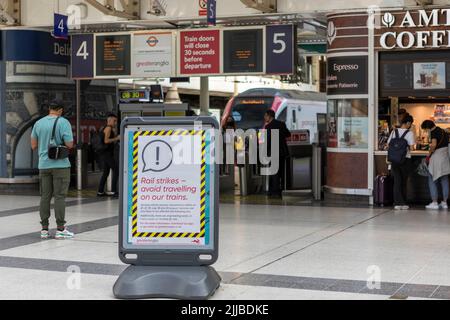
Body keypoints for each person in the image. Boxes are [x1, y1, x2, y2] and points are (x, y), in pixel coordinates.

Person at [31, 101, 74, 240]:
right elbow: (69, 144)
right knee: (60, 197)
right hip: (60, 165)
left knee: (45, 197)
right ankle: (60, 229)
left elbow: (33, 145)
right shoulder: (63, 122)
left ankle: (44, 229)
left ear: (49, 109)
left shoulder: (39, 123)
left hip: (43, 165)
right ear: (60, 110)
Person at [387, 115, 416, 210]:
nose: (410, 126)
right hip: (405, 160)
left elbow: (388, 145)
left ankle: (397, 203)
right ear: (408, 123)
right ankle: (403, 203)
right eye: (410, 124)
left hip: (394, 160)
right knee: (403, 181)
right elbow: (412, 148)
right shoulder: (409, 133)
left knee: (397, 181)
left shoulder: (393, 131)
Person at [421, 120, 450, 210]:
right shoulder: (443, 130)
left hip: (437, 157)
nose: (426, 131)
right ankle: (444, 202)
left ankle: (434, 202)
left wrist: (429, 154)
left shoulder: (434, 132)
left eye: (425, 130)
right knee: (444, 179)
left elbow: (433, 145)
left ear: (428, 128)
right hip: (445, 156)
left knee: (432, 179)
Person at [263, 109, 291, 198]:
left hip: (273, 151)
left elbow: (268, 141)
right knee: (281, 172)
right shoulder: (281, 124)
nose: (264, 117)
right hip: (282, 152)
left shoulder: (268, 127)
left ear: (269, 116)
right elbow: (288, 134)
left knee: (274, 172)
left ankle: (275, 192)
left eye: (265, 116)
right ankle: (279, 189)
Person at [97, 114, 121, 198]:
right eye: (114, 121)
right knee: (116, 170)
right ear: (109, 120)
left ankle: (100, 191)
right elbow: (106, 141)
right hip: (106, 154)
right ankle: (114, 191)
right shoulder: (108, 128)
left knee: (106, 172)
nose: (115, 123)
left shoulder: (108, 128)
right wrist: (117, 138)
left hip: (106, 153)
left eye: (116, 121)